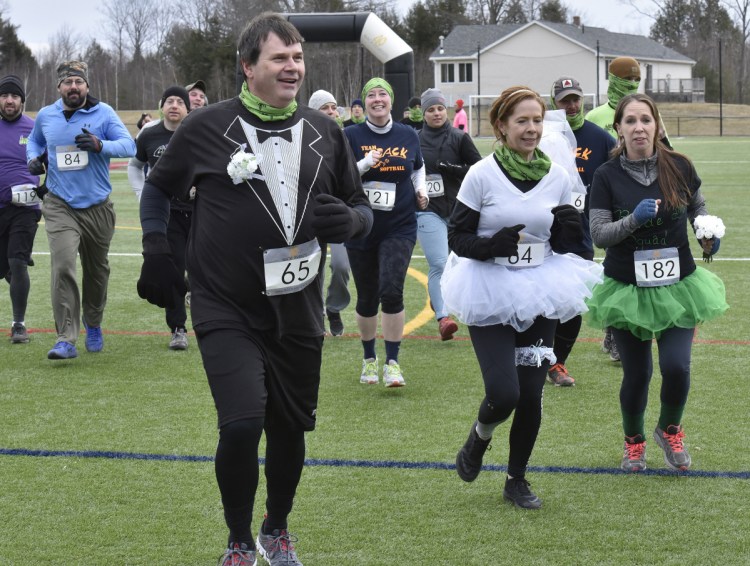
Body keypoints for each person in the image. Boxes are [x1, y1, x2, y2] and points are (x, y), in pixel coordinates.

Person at [137, 13, 372, 565]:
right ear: (248, 67)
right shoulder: (205, 126)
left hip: (298, 304)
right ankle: (239, 540)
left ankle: (276, 527)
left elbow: (360, 207)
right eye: (279, 58)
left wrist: (353, 224)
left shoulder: (325, 130)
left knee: (290, 427)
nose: (292, 67)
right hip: (225, 303)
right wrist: (155, 249)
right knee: (242, 423)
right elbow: (157, 193)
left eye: (297, 58)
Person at [442, 86, 602, 509]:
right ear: (501, 127)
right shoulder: (481, 174)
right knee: (504, 392)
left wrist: (569, 230)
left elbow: (570, 244)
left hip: (540, 289)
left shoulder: (558, 175)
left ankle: (517, 479)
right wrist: (491, 245)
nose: (531, 129)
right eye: (521, 121)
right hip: (489, 288)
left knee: (530, 394)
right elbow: (456, 237)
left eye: (537, 120)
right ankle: (479, 438)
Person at [587, 93, 727, 473]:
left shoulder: (679, 165)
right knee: (638, 373)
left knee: (678, 366)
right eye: (630, 121)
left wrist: (706, 232)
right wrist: (633, 220)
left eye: (645, 120)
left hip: (679, 285)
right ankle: (634, 443)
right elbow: (599, 234)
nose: (638, 128)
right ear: (618, 129)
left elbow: (697, 205)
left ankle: (670, 430)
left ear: (657, 125)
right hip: (627, 290)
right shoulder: (606, 175)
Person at [27, 61, 136, 360]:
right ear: (59, 87)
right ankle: (65, 337)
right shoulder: (47, 116)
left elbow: (129, 146)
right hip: (60, 204)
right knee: (62, 266)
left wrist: (101, 145)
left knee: (97, 272)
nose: (73, 87)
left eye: (78, 82)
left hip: (97, 207)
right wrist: (34, 158)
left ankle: (94, 322)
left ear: (87, 86)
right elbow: (35, 141)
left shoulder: (104, 113)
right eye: (67, 82)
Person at [344, 77, 428, 387]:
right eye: (371, 95)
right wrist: (364, 164)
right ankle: (369, 360)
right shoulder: (351, 134)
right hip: (361, 225)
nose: (377, 99)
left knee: (392, 291)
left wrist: (422, 191)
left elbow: (418, 167)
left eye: (383, 94)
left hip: (400, 224)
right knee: (367, 297)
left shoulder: (407, 134)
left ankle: (393, 362)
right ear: (364, 103)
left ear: (391, 101)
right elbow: (339, 175)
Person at [545, 76, 616, 385]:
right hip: (542, 232)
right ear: (554, 104)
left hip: (581, 233)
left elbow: (619, 174)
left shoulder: (600, 138)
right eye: (564, 100)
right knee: (542, 299)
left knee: (574, 300)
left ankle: (558, 362)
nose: (571, 105)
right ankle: (536, 355)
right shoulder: (542, 134)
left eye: (576, 99)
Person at [128, 86, 192, 350]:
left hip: (201, 211)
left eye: (180, 101)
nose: (174, 105)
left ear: (188, 108)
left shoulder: (198, 132)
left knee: (206, 269)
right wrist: (142, 193)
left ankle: (214, 324)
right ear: (161, 106)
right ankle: (178, 328)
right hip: (169, 213)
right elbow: (135, 166)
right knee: (173, 268)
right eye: (169, 101)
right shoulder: (149, 134)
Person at [417, 87, 481, 341]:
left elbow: (478, 170)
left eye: (440, 108)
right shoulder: (414, 139)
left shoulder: (459, 138)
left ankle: (442, 299)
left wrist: (453, 169)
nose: (436, 113)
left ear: (447, 110)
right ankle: (443, 318)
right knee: (439, 263)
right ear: (423, 114)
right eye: (430, 109)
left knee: (460, 265)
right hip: (427, 210)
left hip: (458, 210)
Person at [0, 75, 41, 344]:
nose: (9, 100)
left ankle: (18, 324)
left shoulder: (35, 129)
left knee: (16, 261)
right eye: (4, 96)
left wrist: (44, 190)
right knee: (8, 267)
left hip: (25, 210)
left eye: (15, 96)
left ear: (22, 101)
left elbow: (52, 162)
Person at [308, 89, 351, 335]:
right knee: (314, 268)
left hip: (339, 214)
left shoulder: (345, 138)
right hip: (311, 214)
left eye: (334, 107)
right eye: (326, 108)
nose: (332, 112)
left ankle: (334, 307)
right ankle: (317, 314)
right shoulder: (302, 138)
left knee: (342, 266)